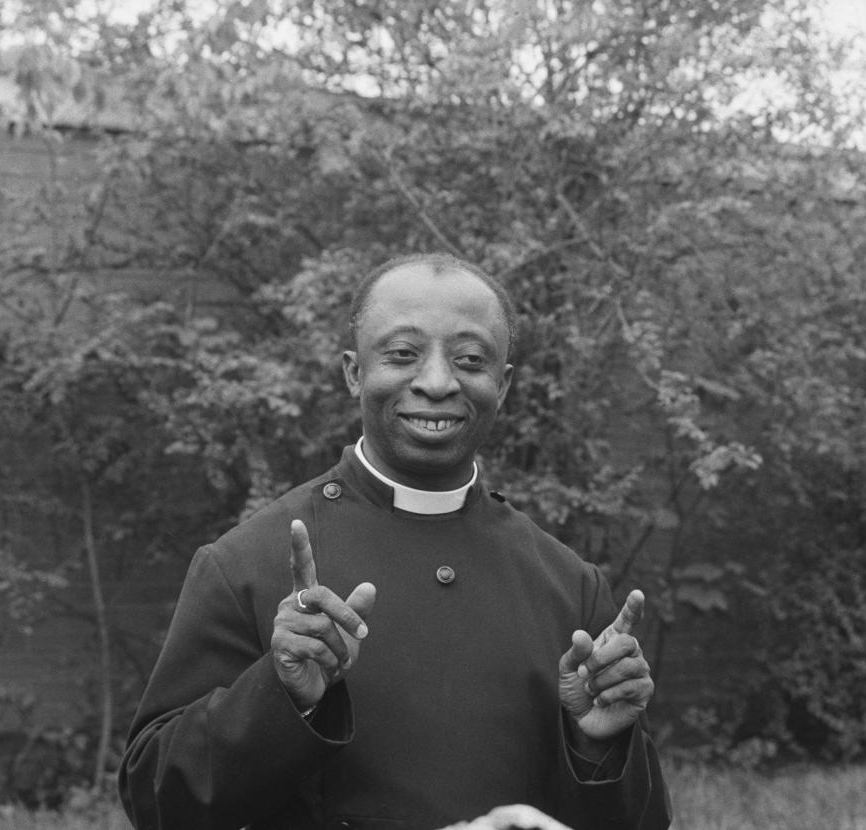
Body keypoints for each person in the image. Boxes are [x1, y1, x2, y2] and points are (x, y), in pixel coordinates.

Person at [118, 253, 672, 830]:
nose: (436, 382)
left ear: (502, 385)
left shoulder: (570, 586)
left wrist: (600, 745)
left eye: (470, 360)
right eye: (403, 354)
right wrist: (282, 695)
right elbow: (155, 801)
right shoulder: (246, 565)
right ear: (354, 373)